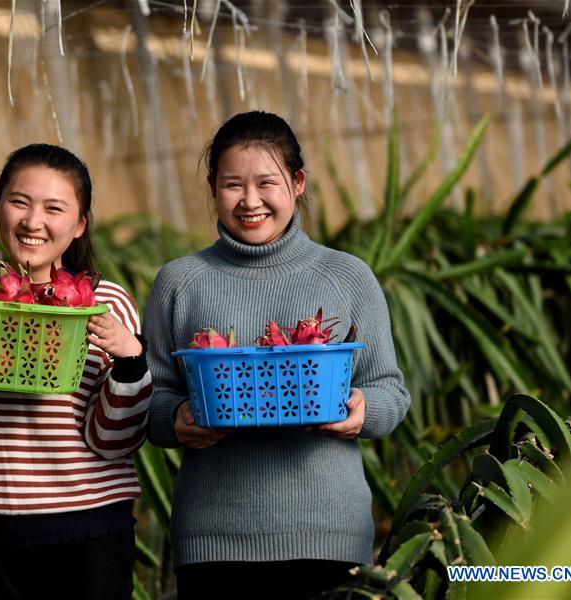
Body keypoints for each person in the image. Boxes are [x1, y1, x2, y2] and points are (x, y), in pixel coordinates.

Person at [143, 111, 410, 599]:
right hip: (215, 541)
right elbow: (151, 398)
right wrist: (177, 416)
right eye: (231, 185)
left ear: (298, 182)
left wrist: (360, 411)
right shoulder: (179, 282)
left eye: (267, 183)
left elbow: (390, 390)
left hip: (330, 534)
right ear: (212, 187)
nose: (250, 201)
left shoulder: (346, 276)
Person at [0, 144, 151, 600]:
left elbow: (114, 441)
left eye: (54, 209)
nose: (32, 221)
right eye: (19, 202)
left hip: (86, 532)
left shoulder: (107, 306)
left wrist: (131, 360)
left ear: (79, 224)